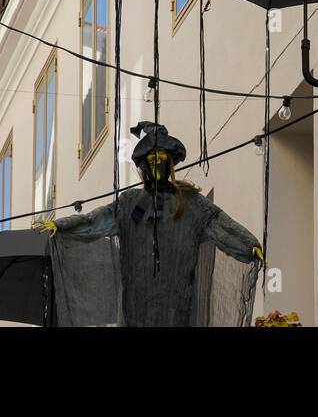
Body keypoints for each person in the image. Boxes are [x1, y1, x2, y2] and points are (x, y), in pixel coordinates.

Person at [34, 121, 262, 326]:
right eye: (151, 161)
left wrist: (247, 243)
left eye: (161, 160)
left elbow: (220, 224)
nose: (156, 165)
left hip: (178, 304)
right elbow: (95, 220)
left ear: (170, 163)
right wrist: (62, 225)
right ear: (144, 167)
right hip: (138, 307)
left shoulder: (190, 203)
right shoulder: (131, 204)